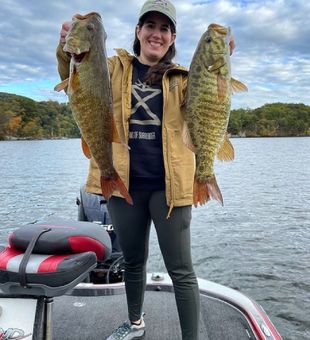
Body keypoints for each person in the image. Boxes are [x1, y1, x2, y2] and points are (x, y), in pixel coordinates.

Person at [57, 1, 235, 339]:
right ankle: (135, 322)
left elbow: (211, 94)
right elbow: (74, 72)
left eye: (164, 28)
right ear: (138, 31)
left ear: (172, 38)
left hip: (171, 188)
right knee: (134, 262)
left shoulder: (184, 78)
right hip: (124, 184)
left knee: (181, 269)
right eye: (150, 26)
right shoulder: (112, 68)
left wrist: (224, 56)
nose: (157, 33)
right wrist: (66, 46)